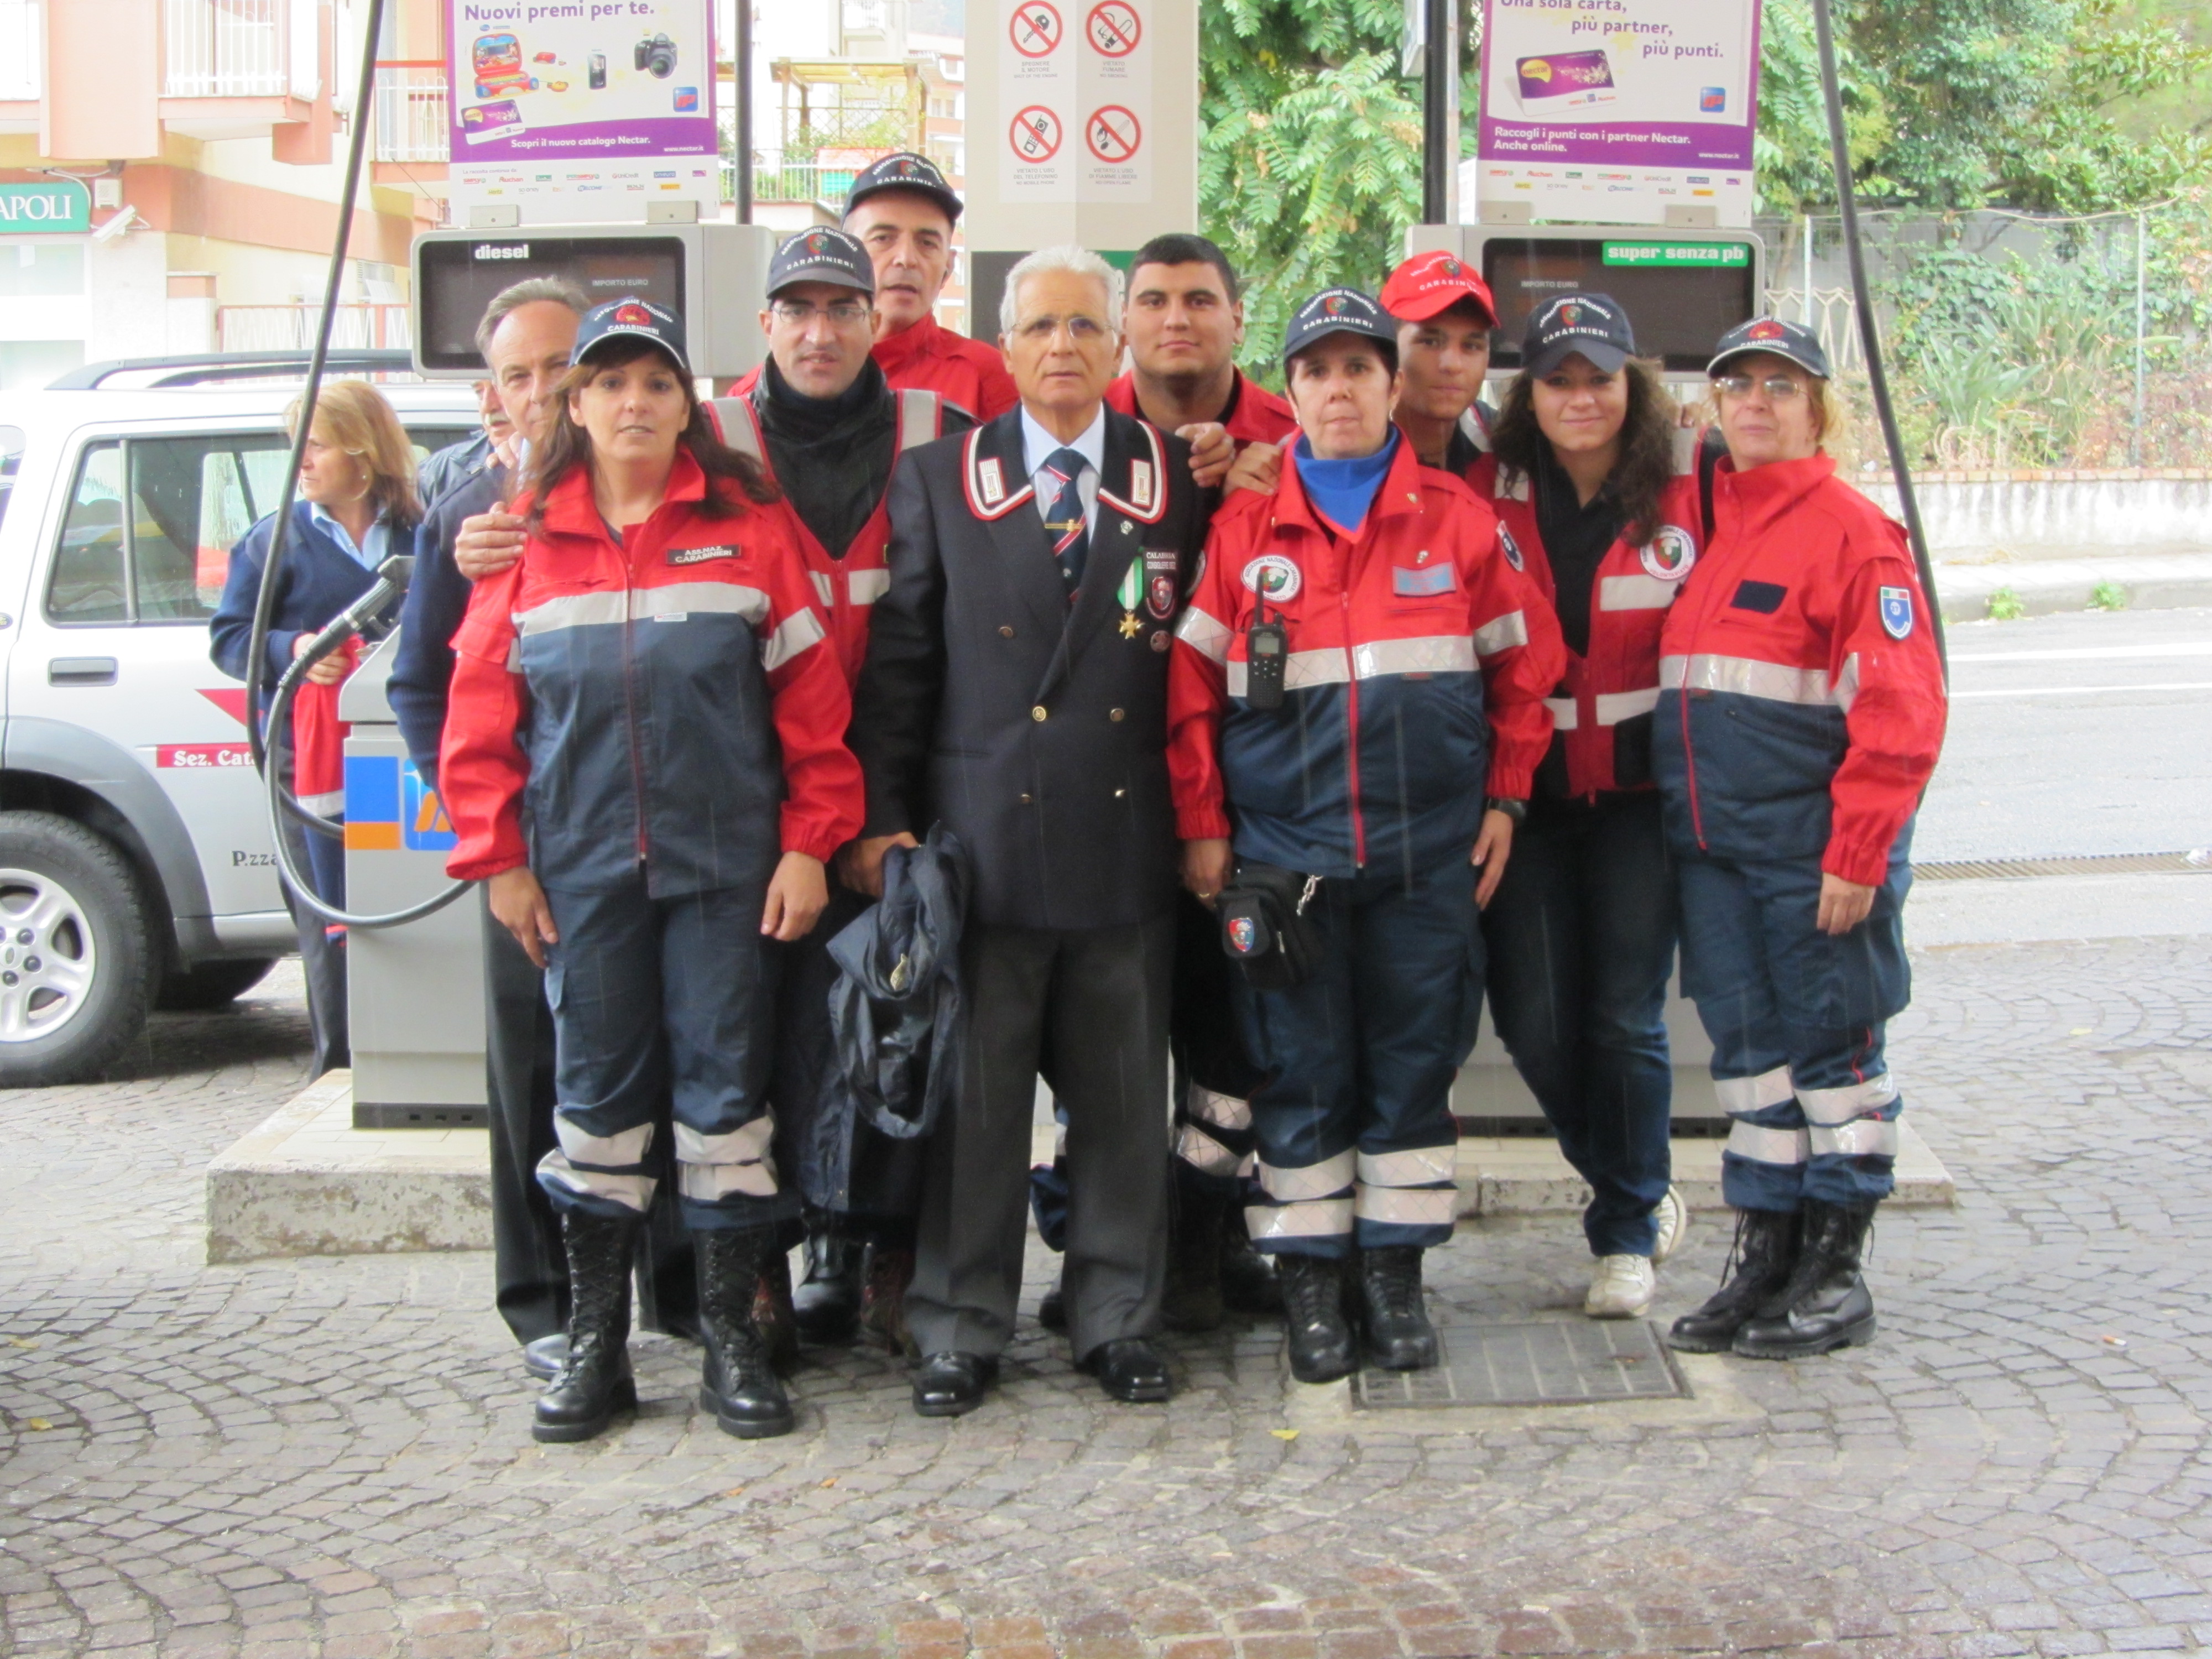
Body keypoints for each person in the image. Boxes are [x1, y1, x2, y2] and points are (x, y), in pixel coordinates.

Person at [439, 298, 864, 1444]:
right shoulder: (522, 542)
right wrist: (500, 863)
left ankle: (728, 1337)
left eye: (656, 385)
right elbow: (478, 721)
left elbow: (814, 715)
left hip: (728, 874)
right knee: (596, 1114)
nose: (634, 404)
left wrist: (807, 844)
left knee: (727, 1109)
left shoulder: (749, 532)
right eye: (610, 384)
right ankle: (596, 1348)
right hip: (579, 879)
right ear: (574, 406)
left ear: (688, 406)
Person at [1167, 288, 1564, 1384]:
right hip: (1283, 867)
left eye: (1358, 369)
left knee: (1407, 1073)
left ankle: (1392, 1280)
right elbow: (1189, 696)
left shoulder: (1456, 519)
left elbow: (1525, 681)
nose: (1337, 390)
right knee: (1298, 1074)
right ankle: (1307, 1285)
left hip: (1423, 864)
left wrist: (1505, 800)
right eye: (1316, 371)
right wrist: (1201, 828)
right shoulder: (1243, 532)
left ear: (1392, 385)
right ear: (1286, 393)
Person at [844, 245, 1214, 1417]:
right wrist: (884, 824)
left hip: (1124, 840)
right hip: (981, 847)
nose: (1063, 345)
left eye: (1084, 327)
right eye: (1040, 326)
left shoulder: (1178, 479)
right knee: (980, 1107)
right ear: (1002, 348)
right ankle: (959, 1326)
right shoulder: (940, 476)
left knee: (1118, 1102)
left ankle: (1115, 1317)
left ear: (1116, 350)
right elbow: (901, 664)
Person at [388, 278, 703, 1384]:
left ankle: (676, 1287)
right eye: (517, 374)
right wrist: (491, 830)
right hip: (530, 854)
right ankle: (546, 1308)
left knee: (666, 1060)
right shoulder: (469, 515)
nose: (542, 391)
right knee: (534, 1072)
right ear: (493, 391)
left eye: (562, 369)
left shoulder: (666, 496)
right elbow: (424, 686)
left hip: (653, 841)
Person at [1656, 317, 1946, 1360]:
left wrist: (1858, 853)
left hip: (1814, 858)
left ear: (1818, 409)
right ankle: (1767, 1257)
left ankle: (1836, 1269)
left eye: (1782, 387)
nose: (1758, 404)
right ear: (1716, 408)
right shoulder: (1714, 521)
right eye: (1740, 387)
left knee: (1837, 1061)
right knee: (1752, 1070)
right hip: (1716, 853)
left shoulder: (1856, 535)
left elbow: (1904, 714)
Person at [706, 228, 973, 1352]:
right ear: (763, 323)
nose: (820, 332)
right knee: (754, 1039)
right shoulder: (702, 436)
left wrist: (887, 816)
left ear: (878, 322)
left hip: (901, 797)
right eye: (797, 309)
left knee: (904, 1033)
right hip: (738, 802)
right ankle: (761, 1262)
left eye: (842, 309)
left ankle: (888, 1258)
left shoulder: (941, 436)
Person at [1467, 293, 1700, 1320]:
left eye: (1598, 378)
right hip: (1524, 798)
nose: (1578, 398)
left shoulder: (1694, 481)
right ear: (1528, 392)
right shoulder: (1490, 484)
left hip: (1639, 798)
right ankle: (1635, 1185)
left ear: (1632, 384)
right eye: (1556, 379)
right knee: (1534, 1018)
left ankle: (1625, 1234)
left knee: (1623, 1017)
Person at [210, 379, 422, 1080]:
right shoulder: (274, 541)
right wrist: (293, 652)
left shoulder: (422, 530)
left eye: (317, 444)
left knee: (410, 910)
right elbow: (231, 638)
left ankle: (418, 1056)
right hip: (309, 765)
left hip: (407, 760)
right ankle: (338, 1074)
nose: (300, 461)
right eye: (295, 445)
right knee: (327, 920)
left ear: (363, 450)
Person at [843, 153, 1019, 419]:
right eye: (883, 238)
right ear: (846, 255)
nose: (906, 259)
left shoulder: (987, 376)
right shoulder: (792, 377)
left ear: (947, 268)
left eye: (927, 243)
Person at [1379, 249, 1500, 472]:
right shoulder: (1339, 445)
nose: (1453, 365)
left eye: (1471, 346)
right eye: (1430, 342)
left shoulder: (1508, 446)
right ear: (1386, 349)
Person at [418, 378, 508, 508]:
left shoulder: (546, 471)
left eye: (499, 389)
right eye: (479, 393)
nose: (487, 406)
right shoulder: (437, 474)